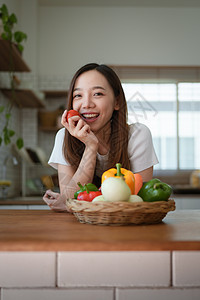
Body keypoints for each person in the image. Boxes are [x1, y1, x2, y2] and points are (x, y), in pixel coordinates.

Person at [43, 63, 158, 211]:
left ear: (116, 102)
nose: (87, 104)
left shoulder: (137, 135)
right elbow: (70, 201)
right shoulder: (63, 137)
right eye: (78, 95)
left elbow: (138, 200)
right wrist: (91, 146)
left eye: (97, 94)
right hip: (79, 228)